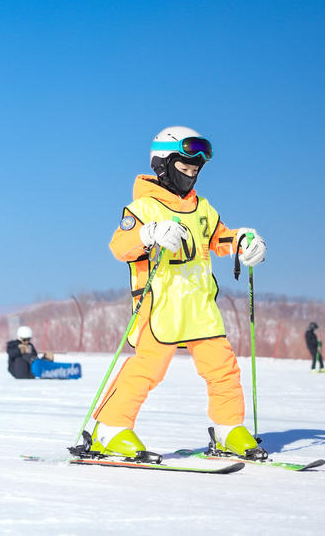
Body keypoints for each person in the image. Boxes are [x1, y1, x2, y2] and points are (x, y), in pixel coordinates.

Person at [90, 126, 267, 461]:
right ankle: (109, 430)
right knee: (148, 369)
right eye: (184, 169)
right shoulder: (143, 208)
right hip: (161, 307)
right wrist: (149, 233)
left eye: (195, 171)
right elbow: (120, 246)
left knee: (223, 368)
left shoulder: (203, 209)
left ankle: (228, 429)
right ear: (163, 166)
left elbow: (219, 238)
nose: (190, 176)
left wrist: (244, 240)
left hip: (200, 307)